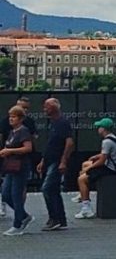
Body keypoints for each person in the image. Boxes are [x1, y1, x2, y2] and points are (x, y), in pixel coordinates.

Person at [38, 98, 74, 231]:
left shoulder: (62, 122)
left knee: (47, 188)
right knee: (54, 190)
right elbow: (50, 144)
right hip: (50, 160)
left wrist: (63, 161)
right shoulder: (53, 123)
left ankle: (55, 218)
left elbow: (69, 143)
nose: (44, 109)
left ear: (54, 108)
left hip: (57, 160)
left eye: (46, 106)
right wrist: (43, 160)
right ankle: (60, 219)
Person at [74, 118, 116, 220]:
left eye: (99, 127)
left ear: (103, 129)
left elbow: (102, 161)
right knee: (85, 164)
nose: (98, 129)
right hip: (111, 165)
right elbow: (105, 154)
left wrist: (88, 169)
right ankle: (82, 193)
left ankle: (86, 209)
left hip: (110, 169)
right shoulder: (113, 138)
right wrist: (95, 157)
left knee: (81, 179)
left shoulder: (106, 142)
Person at [0, 105, 34, 235]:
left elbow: (28, 148)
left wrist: (10, 151)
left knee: (16, 195)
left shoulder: (23, 131)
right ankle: (23, 215)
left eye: (14, 117)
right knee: (5, 193)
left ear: (20, 119)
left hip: (20, 167)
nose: (11, 119)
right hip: (10, 167)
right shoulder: (12, 132)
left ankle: (17, 224)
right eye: (10, 116)